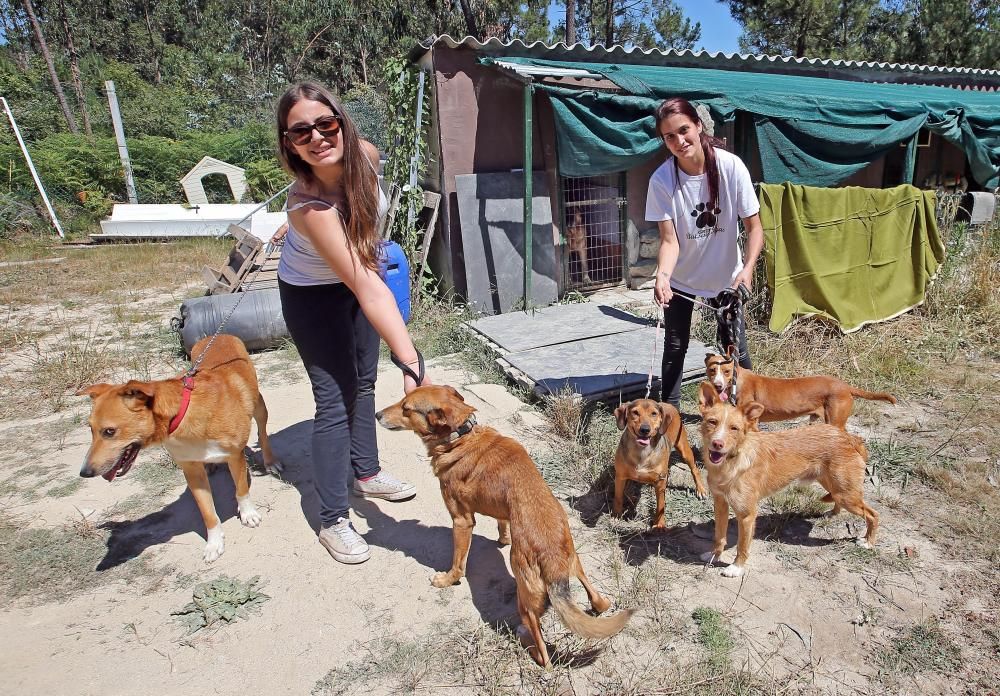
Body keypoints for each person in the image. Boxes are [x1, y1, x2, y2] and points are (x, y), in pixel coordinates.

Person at [275, 81, 427, 565]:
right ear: (289, 143)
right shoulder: (309, 208)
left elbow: (369, 253)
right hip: (312, 295)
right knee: (334, 402)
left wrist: (404, 354)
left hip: (360, 279)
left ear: (341, 121)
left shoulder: (367, 155)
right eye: (302, 132)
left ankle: (367, 473)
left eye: (326, 123)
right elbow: (366, 285)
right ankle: (332, 518)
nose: (318, 137)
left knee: (363, 383)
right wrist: (412, 357)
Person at [645, 97, 764, 410]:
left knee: (736, 351)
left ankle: (747, 417)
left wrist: (748, 269)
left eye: (684, 130)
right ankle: (670, 419)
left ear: (698, 126)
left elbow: (755, 229)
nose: (679, 140)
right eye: (669, 136)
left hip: (727, 279)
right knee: (674, 347)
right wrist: (664, 277)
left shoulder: (730, 167)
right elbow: (669, 241)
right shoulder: (661, 180)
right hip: (684, 281)